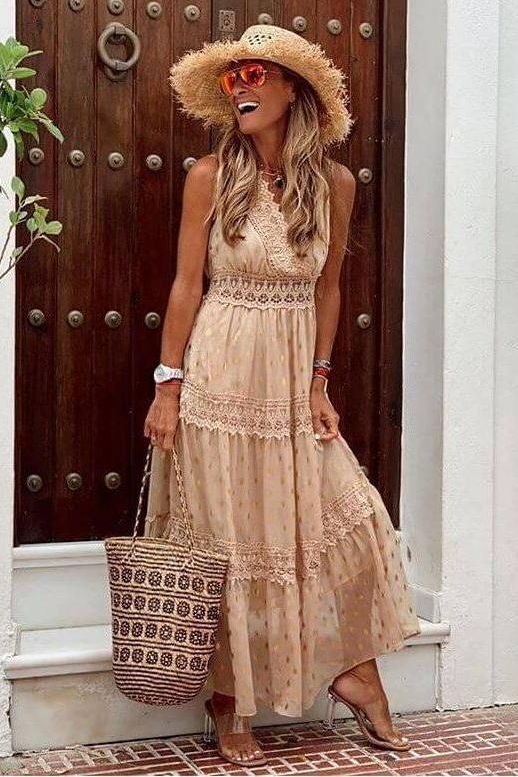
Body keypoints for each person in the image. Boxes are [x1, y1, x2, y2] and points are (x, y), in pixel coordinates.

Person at [143, 23, 421, 767]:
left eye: (255, 73)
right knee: (225, 535)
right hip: (221, 368)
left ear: (292, 88)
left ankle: (353, 671)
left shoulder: (335, 184)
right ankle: (229, 698)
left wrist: (320, 381)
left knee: (347, 513)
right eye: (232, 77)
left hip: (293, 373)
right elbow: (186, 285)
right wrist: (168, 385)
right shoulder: (210, 176)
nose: (241, 86)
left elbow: (330, 289)